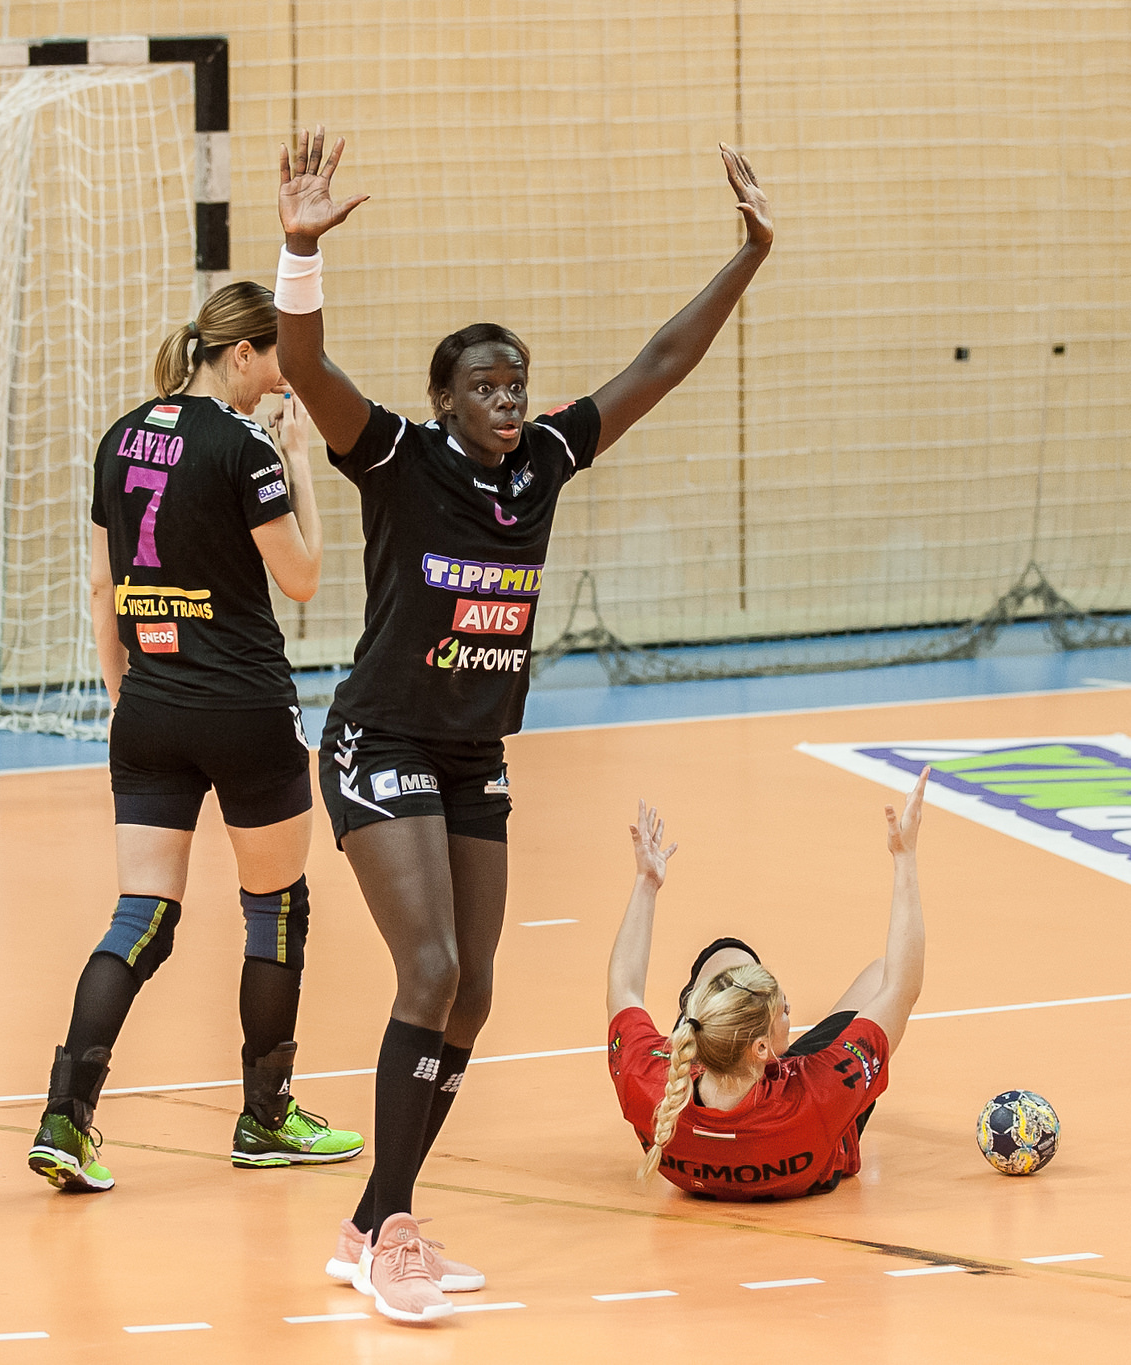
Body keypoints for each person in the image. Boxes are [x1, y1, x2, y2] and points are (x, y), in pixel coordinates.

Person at [272, 128, 774, 1323]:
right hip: (379, 740)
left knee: (474, 991)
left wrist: (748, 255)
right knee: (430, 969)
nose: (505, 399)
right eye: (483, 387)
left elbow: (658, 361)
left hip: (470, 752)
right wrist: (298, 251)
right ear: (444, 400)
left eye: (515, 383)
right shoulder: (394, 456)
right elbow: (303, 364)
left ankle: (368, 1224)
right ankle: (392, 1231)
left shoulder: (542, 459)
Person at [27, 281, 364, 1194]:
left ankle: (65, 1117)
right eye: (277, 364)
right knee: (277, 907)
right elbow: (301, 576)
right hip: (245, 708)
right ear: (241, 352)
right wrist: (300, 464)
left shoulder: (119, 435)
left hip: (149, 707)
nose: (281, 383)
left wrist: (124, 696)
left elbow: (101, 588)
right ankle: (265, 1118)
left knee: (141, 915)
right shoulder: (244, 444)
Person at [605, 771, 928, 1200]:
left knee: (729, 954)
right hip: (806, 1131)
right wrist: (905, 857)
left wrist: (646, 883)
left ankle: (735, 1011)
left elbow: (623, 988)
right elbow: (900, 986)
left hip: (741, 1099)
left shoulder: (649, 1085)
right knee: (879, 975)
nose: (789, 1007)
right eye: (783, 1010)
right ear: (763, 1050)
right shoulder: (820, 1093)